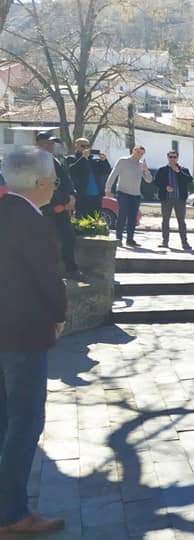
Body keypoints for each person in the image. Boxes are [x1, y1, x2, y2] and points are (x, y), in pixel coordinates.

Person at [0, 146, 68, 536]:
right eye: (54, 181)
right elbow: (48, 278)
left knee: (5, 419)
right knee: (25, 422)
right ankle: (11, 513)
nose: (55, 188)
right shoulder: (31, 220)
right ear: (40, 183)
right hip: (23, 334)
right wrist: (58, 316)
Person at [35, 132, 81, 280]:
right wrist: (58, 204)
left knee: (69, 237)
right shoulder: (34, 162)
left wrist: (71, 196)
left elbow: (66, 180)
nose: (51, 146)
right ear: (39, 144)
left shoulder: (55, 159)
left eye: (52, 143)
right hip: (45, 207)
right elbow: (41, 187)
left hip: (61, 206)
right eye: (48, 143)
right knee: (43, 240)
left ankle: (71, 269)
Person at [105, 145, 153, 247]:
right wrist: (108, 189)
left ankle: (130, 240)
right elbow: (113, 174)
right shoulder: (123, 161)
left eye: (141, 154)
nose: (139, 155)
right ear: (133, 150)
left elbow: (149, 180)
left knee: (132, 218)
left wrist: (146, 170)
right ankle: (118, 239)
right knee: (122, 216)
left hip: (136, 195)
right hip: (123, 193)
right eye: (138, 152)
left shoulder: (141, 165)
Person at [154, 150, 193, 250]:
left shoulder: (183, 170)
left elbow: (189, 180)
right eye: (170, 157)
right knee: (165, 221)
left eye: (174, 157)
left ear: (177, 158)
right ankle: (165, 241)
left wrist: (179, 172)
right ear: (167, 158)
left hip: (180, 199)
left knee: (181, 222)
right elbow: (156, 182)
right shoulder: (162, 170)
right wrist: (165, 187)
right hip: (166, 199)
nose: (172, 159)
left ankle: (184, 242)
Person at [67, 138, 110, 218]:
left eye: (87, 146)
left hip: (96, 196)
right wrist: (83, 158)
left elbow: (106, 171)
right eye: (83, 146)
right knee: (81, 220)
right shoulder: (71, 158)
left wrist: (104, 161)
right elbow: (71, 171)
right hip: (81, 196)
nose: (86, 148)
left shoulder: (93, 160)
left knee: (95, 220)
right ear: (76, 146)